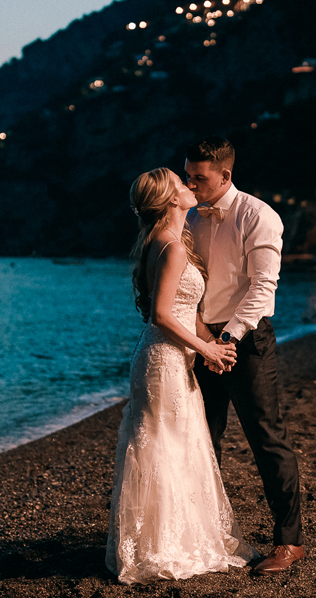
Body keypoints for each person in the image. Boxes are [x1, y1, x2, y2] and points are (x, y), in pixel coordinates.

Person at [106, 167, 257, 584]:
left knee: (176, 444)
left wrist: (212, 342)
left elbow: (183, 313)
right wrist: (205, 347)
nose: (190, 185)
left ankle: (167, 540)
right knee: (163, 446)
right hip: (163, 361)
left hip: (171, 357)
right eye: (181, 182)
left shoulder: (170, 240)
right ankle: (159, 547)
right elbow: (160, 314)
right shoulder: (170, 247)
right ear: (172, 199)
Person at [184, 136, 305, 575]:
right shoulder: (189, 217)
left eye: (200, 178)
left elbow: (263, 288)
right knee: (203, 439)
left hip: (246, 341)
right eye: (188, 176)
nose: (191, 185)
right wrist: (200, 337)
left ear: (226, 176)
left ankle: (289, 543)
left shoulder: (258, 215)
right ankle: (208, 533)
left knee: (266, 440)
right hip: (200, 341)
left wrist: (228, 340)